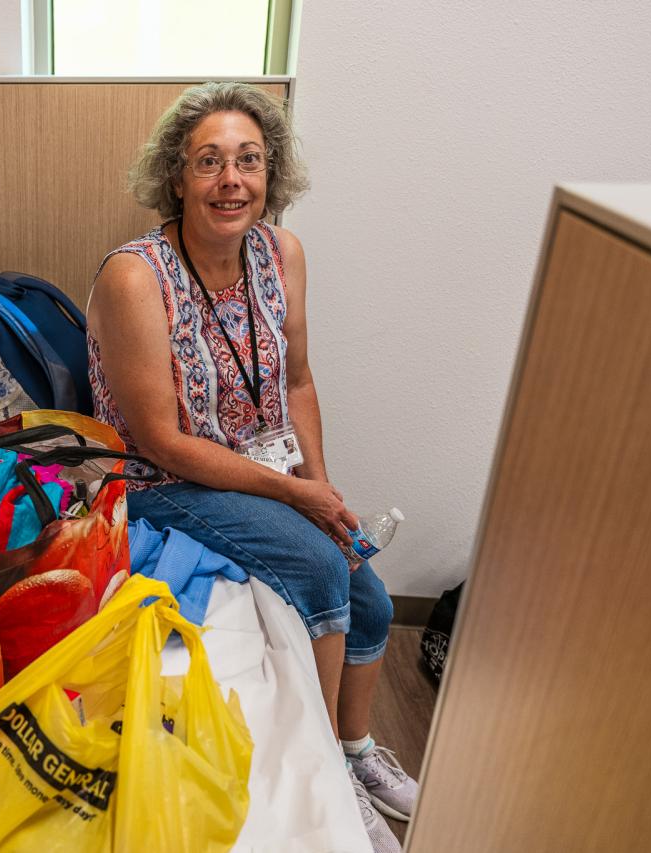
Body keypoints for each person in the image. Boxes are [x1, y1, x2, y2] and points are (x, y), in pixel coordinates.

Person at [86, 82, 417, 852]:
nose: (231, 180)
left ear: (271, 175)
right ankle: (328, 774)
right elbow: (162, 441)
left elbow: (297, 382)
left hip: (255, 462)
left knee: (369, 593)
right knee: (321, 569)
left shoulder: (282, 253)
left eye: (249, 160)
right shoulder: (135, 277)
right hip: (159, 481)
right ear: (177, 176)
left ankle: (357, 748)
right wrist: (293, 496)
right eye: (209, 162)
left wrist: (320, 490)